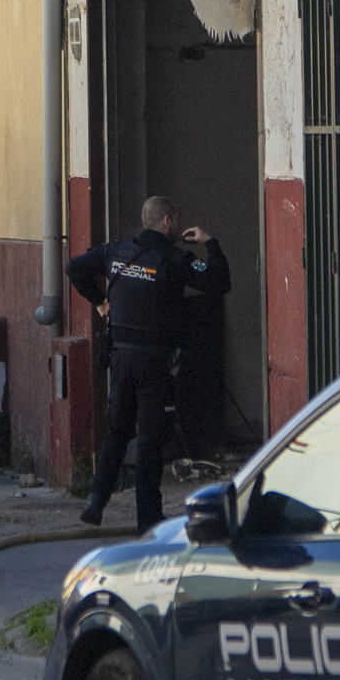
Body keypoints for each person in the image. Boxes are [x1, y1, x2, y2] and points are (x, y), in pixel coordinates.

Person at [67, 194, 230, 527]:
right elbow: (218, 282)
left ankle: (96, 502)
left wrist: (99, 302)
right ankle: (148, 519)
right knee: (150, 441)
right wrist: (210, 243)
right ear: (167, 221)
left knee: (116, 432)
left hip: (120, 358)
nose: (181, 223)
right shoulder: (172, 258)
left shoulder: (115, 252)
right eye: (178, 218)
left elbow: (74, 268)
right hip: (154, 364)